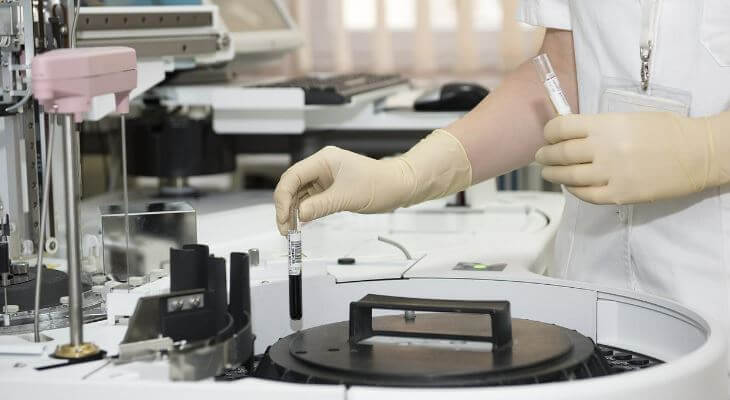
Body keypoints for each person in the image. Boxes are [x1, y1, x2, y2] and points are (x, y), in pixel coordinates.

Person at [274, 1, 730, 331]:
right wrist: (407, 173)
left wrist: (708, 149)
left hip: (716, 302)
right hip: (592, 301)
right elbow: (561, 75)